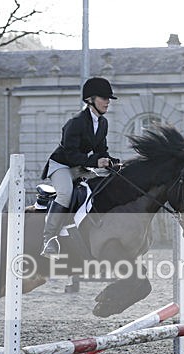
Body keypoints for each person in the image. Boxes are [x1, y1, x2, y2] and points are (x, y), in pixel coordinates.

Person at [40, 77, 119, 257]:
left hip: (79, 166)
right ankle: (49, 239)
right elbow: (70, 154)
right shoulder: (76, 122)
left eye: (109, 99)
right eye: (103, 98)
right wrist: (95, 162)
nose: (107, 102)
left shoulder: (103, 123)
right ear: (90, 100)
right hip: (62, 164)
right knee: (65, 193)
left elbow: (101, 150)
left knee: (100, 187)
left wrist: (111, 161)